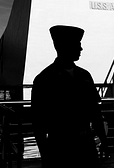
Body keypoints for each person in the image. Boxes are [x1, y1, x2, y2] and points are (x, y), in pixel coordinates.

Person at [31, 25, 107, 167]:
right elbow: (38, 121)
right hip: (61, 148)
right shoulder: (45, 79)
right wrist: (45, 154)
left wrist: (103, 139)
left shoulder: (84, 75)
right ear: (64, 46)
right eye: (77, 45)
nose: (80, 49)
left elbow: (95, 112)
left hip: (86, 145)